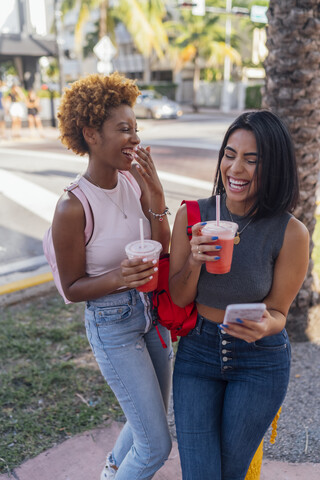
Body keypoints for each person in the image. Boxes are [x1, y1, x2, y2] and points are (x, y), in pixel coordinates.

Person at [169, 110, 309, 480]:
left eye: (252, 159)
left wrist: (267, 326)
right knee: (200, 473)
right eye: (230, 154)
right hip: (198, 353)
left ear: (274, 166)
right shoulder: (193, 216)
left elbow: (279, 311)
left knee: (232, 473)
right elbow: (180, 298)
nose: (236, 169)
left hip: (259, 361)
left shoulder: (291, 233)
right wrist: (196, 260)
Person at [52, 72, 172, 479]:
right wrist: (121, 277)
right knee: (156, 445)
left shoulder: (133, 181)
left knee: (149, 418)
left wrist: (155, 196)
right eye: (123, 130)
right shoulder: (73, 205)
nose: (134, 139)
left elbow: (164, 248)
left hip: (151, 314)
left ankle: (113, 470)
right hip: (112, 324)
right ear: (91, 135)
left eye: (136, 129)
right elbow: (71, 289)